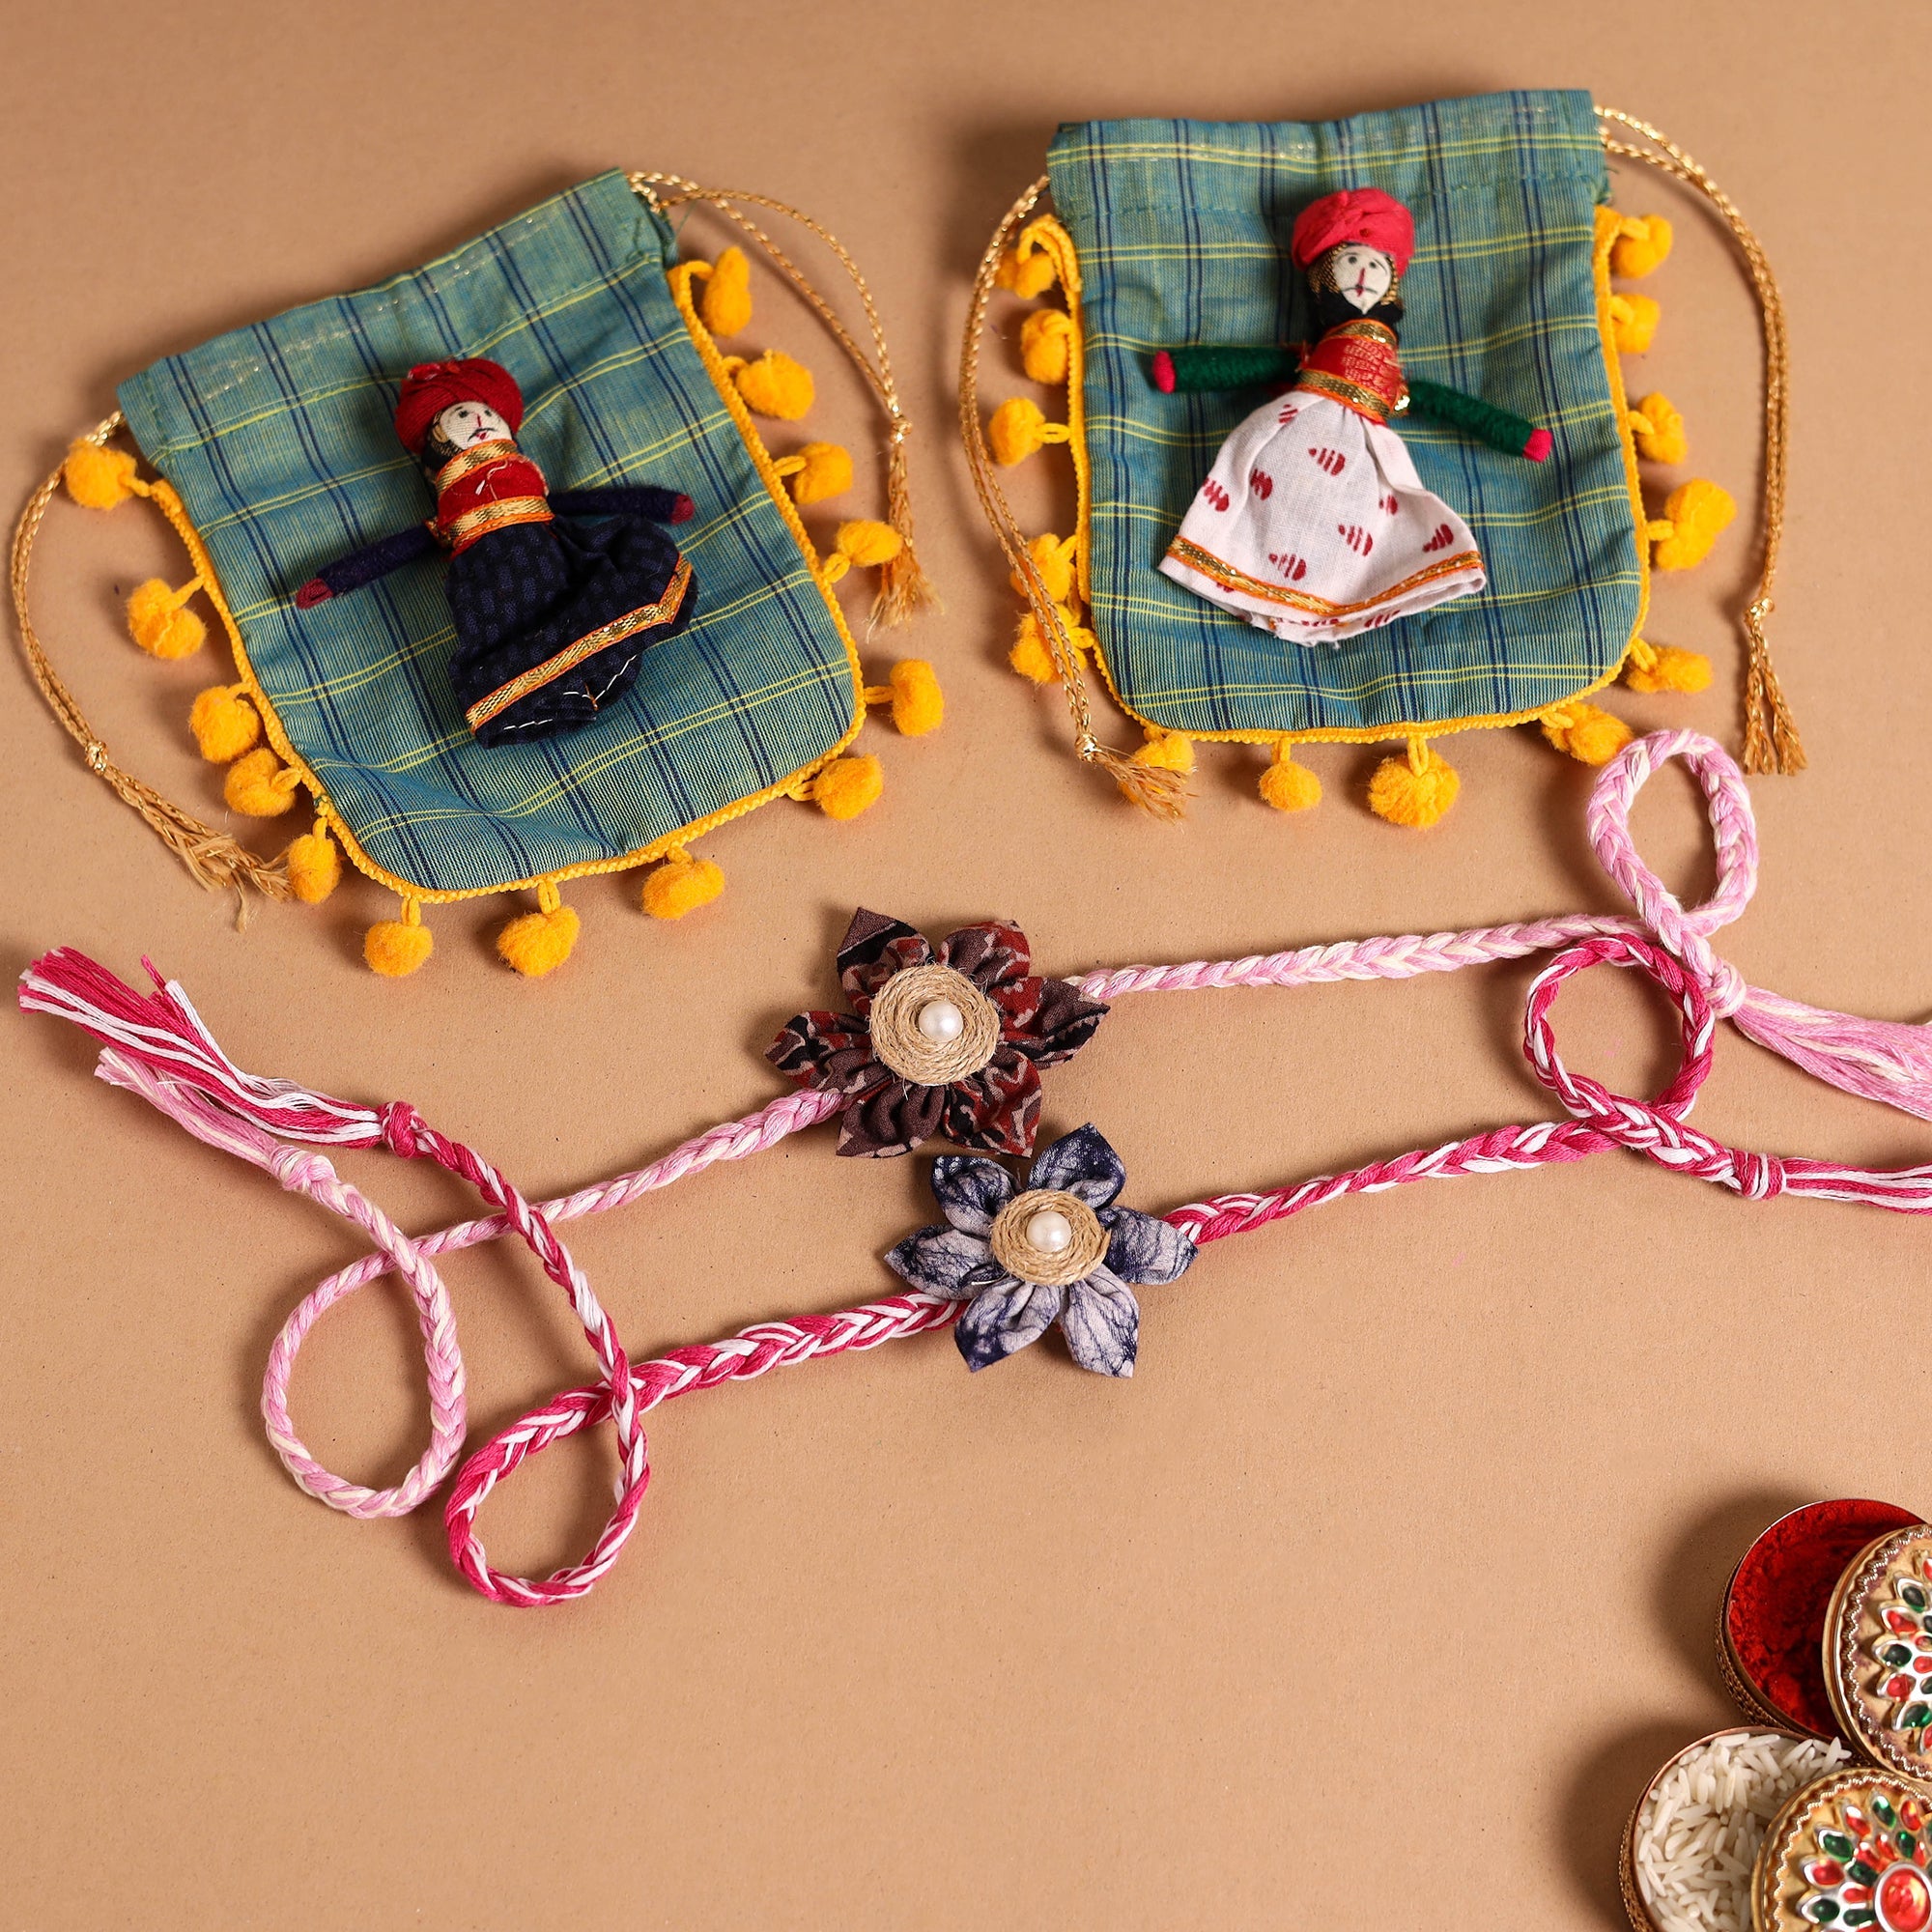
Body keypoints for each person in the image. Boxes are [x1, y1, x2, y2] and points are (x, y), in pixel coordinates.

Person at [1153, 188, 1549, 646]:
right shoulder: (1310, 358)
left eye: (1375, 265)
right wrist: (1185, 368)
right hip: (1294, 428)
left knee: (1360, 512)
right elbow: (1260, 364)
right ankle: (1256, 573)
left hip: (1363, 451)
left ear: (1393, 282)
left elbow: (1440, 401)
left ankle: (1329, 596)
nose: (1363, 273)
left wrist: (1517, 435)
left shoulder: (1390, 381)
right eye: (1351, 261)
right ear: (1322, 279)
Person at [296, 357, 697, 745]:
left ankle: (591, 654)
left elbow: (589, 502)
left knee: (626, 552)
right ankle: (538, 688)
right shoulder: (448, 517)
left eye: (483, 414)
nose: (475, 422)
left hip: (550, 554)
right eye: (462, 418)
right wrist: (335, 579)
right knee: (498, 642)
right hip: (487, 587)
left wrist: (657, 504)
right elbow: (394, 550)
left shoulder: (532, 489)